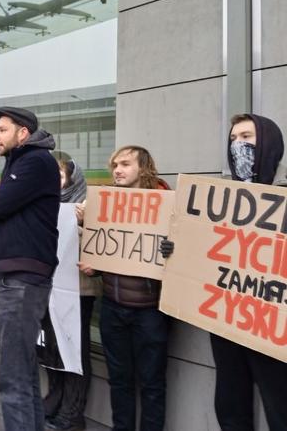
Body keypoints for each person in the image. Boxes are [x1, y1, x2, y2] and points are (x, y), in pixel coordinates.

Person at [162, 114, 287, 431]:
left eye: (246, 136)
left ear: (268, 143)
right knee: (230, 402)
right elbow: (203, 249)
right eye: (233, 139)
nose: (238, 145)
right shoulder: (220, 199)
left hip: (272, 323)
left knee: (280, 406)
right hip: (227, 319)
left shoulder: (284, 194)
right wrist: (176, 250)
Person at [0, 107, 61, 431]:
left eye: (2, 129)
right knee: (23, 370)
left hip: (23, 279)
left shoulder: (34, 162)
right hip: (19, 277)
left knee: (12, 375)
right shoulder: (21, 162)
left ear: (22, 133)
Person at [79, 146, 170, 431]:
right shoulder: (106, 203)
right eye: (115, 165)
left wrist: (172, 249)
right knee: (119, 381)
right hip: (113, 308)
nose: (117, 170)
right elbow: (111, 250)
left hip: (150, 312)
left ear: (143, 168)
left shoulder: (167, 202)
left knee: (152, 384)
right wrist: (96, 266)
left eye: (125, 164)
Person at [44, 159, 100, 431]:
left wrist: (82, 223)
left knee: (74, 350)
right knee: (53, 349)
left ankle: (73, 412)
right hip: (50, 288)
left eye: (59, 174)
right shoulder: (44, 204)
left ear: (73, 179)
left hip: (79, 291)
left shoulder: (88, 205)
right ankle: (54, 399)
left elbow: (103, 244)